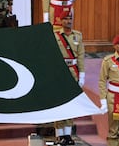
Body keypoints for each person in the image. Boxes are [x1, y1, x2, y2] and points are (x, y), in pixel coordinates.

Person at [53, 10, 85, 145]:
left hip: (73, 71)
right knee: (60, 103)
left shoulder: (77, 36)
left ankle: (68, 135)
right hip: (60, 72)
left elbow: (81, 56)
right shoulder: (55, 36)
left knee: (71, 104)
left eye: (70, 18)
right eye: (65, 18)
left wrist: (82, 74)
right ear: (60, 21)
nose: (68, 21)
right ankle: (59, 135)